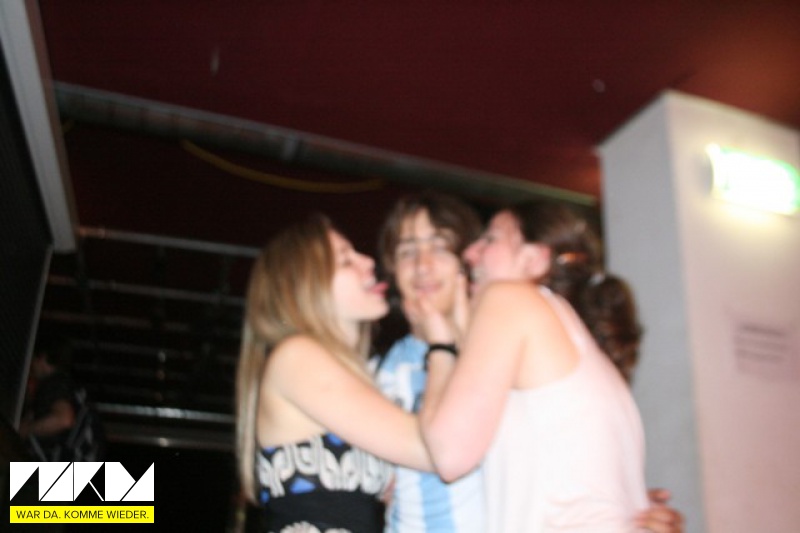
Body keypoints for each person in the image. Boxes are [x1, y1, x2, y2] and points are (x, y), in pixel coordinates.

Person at [377, 193, 682, 532]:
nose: (471, 253)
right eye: (406, 251)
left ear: (534, 260)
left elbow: (450, 454)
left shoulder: (510, 297)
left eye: (490, 240)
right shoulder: (557, 333)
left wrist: (441, 346)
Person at [235, 213, 433, 532]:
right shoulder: (297, 356)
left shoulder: (352, 373)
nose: (368, 261)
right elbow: (428, 448)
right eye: (345, 260)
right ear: (307, 285)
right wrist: (442, 343)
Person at [374, 192, 484, 532]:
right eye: (407, 252)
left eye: (439, 247)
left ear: (468, 260)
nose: (423, 265)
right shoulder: (380, 373)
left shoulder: (503, 350)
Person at [19, 338, 105, 462]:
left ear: (42, 358)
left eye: (33, 359)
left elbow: (64, 420)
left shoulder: (54, 384)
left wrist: (27, 429)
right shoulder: (72, 389)